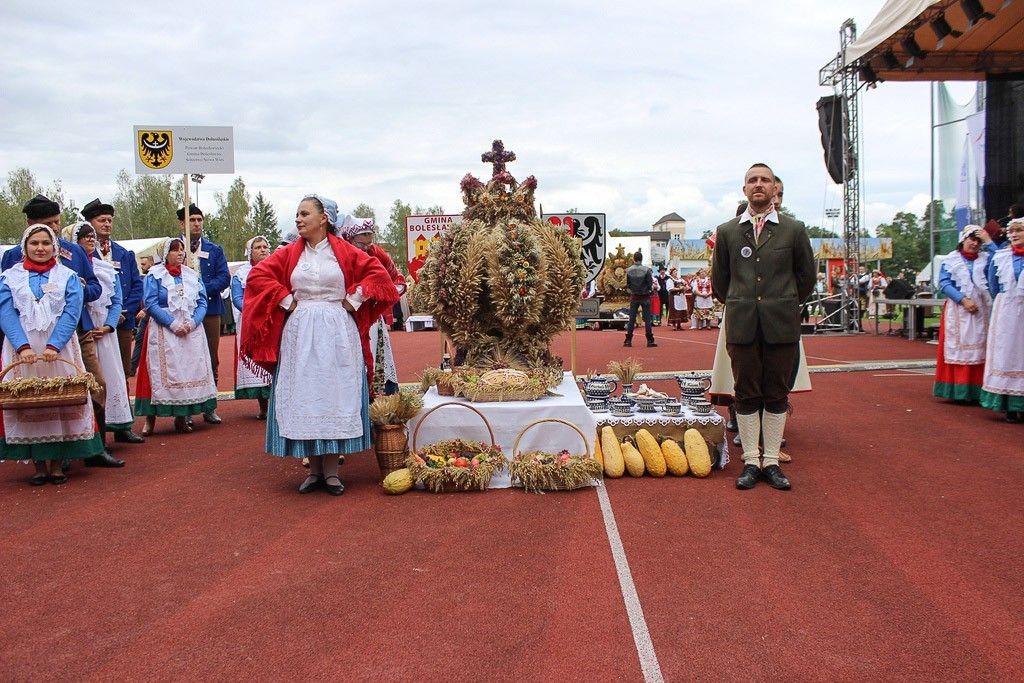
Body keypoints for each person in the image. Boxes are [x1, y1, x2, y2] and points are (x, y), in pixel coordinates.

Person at [241, 195, 399, 496]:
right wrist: (286, 300)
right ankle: (313, 471)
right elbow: (259, 275)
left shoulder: (344, 251)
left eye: (304, 214)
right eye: (297, 215)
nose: (298, 220)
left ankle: (332, 472)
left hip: (338, 330)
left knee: (333, 392)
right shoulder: (289, 253)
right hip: (300, 330)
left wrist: (354, 298)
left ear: (323, 218)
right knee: (306, 392)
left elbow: (379, 275)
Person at [711, 163, 815, 491]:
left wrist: (780, 302)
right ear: (744, 189)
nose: (759, 185)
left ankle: (771, 460)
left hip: (780, 325)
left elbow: (806, 278)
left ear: (774, 189)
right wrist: (743, 301)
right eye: (752, 180)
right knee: (745, 392)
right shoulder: (727, 231)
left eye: (765, 180)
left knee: (776, 392)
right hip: (742, 324)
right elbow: (719, 282)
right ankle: (751, 462)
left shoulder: (793, 230)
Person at [1, 195, 123, 468]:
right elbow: (7, 303)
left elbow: (95, 288)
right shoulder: (11, 257)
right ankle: (47, 452)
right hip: (27, 342)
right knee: (37, 396)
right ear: (29, 224)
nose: (53, 230)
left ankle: (93, 446)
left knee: (95, 386)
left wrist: (79, 287)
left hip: (76, 333)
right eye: (46, 224)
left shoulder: (74, 251)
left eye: (56, 223)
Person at [134, 238, 218, 435]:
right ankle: (150, 420)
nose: (180, 253)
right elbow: (151, 303)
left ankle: (181, 418)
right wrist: (172, 323)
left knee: (187, 372)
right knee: (157, 373)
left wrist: (193, 323)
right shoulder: (154, 276)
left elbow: (202, 302)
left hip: (190, 330)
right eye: (174, 250)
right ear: (165, 254)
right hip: (164, 330)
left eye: (182, 250)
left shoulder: (192, 276)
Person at [81, 198, 145, 444]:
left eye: (109, 220)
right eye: (101, 220)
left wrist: (123, 313)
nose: (107, 224)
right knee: (96, 375)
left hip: (121, 323)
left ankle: (122, 425)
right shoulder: (83, 252)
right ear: (90, 224)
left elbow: (135, 286)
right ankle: (97, 426)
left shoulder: (123, 253)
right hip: (93, 325)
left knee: (120, 371)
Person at [71, 222, 138, 450]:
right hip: (81, 330)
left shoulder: (106, 268)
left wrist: (109, 325)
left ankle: (118, 427)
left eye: (92, 236)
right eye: (84, 236)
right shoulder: (69, 269)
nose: (90, 240)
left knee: (112, 378)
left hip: (105, 332)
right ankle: (89, 436)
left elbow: (116, 299)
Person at [340, 217, 406, 396]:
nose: (366, 248)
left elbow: (398, 280)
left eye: (369, 243)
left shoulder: (376, 253)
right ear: (349, 238)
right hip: (344, 317)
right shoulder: (340, 253)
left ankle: (375, 403)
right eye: (361, 244)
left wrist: (379, 292)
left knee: (374, 360)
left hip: (371, 319)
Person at [178, 204, 228, 425]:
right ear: (182, 223)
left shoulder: (214, 250)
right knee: (184, 359)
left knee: (211, 357)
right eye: (192, 220)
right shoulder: (173, 248)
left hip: (209, 310)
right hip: (180, 313)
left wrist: (198, 290)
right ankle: (186, 407)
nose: (196, 223)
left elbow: (223, 277)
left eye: (199, 219)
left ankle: (210, 406)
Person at [934, 225, 995, 404]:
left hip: (982, 309)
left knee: (982, 347)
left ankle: (980, 389)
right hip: (958, 309)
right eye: (971, 239)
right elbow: (944, 283)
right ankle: (958, 390)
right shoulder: (951, 260)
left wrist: (989, 242)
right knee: (958, 347)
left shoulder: (987, 259)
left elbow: (1002, 259)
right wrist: (962, 299)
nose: (974, 243)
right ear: (963, 240)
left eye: (978, 241)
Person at [980, 218, 1024, 422]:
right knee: (1007, 353)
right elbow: (993, 285)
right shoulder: (1001, 257)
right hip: (1008, 311)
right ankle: (1010, 404)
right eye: (1011, 231)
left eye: (1019, 231)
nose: (1014, 235)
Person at [230, 236, 273, 418]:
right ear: (250, 252)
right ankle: (263, 407)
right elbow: (238, 299)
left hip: (273, 320)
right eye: (258, 247)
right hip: (251, 322)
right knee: (257, 360)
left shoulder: (276, 268)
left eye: (265, 247)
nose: (262, 250)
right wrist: (256, 311)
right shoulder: (241, 274)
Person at [623, 251, 656, 347]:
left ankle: (628, 340)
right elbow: (650, 284)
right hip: (645, 296)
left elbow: (628, 284)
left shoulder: (629, 270)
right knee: (647, 319)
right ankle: (650, 340)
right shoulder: (647, 270)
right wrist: (648, 290)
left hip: (634, 296)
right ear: (641, 259)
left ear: (634, 258)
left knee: (632, 319)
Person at [129, 255, 155, 377]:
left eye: (144, 264)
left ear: (151, 263)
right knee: (139, 340)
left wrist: (145, 309)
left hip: (152, 314)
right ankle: (132, 368)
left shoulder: (154, 276)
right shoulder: (145, 277)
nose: (142, 267)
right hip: (145, 314)